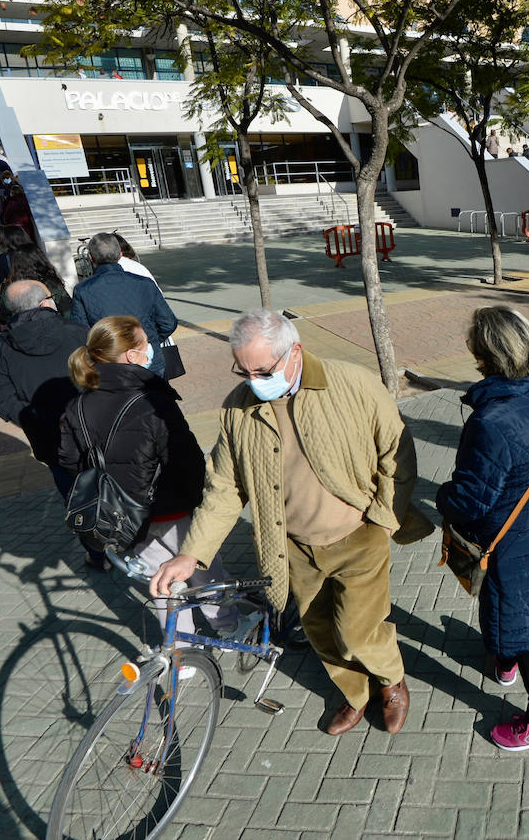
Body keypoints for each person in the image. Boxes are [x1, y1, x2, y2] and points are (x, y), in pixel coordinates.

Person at [149, 308, 431, 736]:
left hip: (359, 535)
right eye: (242, 370)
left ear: (294, 351)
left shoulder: (352, 383)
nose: (252, 380)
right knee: (319, 630)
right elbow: (224, 489)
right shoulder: (237, 410)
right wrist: (192, 553)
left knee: (356, 631)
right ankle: (354, 694)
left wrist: (384, 518)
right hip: (291, 547)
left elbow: (397, 451)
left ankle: (390, 681)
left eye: (262, 370)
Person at [436, 307, 529, 751]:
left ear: (487, 357)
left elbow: (469, 500)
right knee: (515, 623)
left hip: (518, 552)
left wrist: (442, 498)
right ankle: (504, 660)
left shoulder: (493, 422)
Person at [61, 315, 238, 636]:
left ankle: (180, 651)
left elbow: (70, 461)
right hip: (173, 511)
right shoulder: (154, 400)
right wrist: (204, 500)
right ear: (131, 355)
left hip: (124, 518)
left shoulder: (78, 405)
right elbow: (187, 459)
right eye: (146, 345)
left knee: (162, 582)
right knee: (203, 570)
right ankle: (227, 629)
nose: (152, 351)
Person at [0, 280, 96, 563]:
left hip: (49, 440)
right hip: (96, 429)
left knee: (75, 495)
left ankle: (96, 552)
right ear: (45, 303)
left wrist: (36, 417)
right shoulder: (80, 333)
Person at [69, 233, 178, 379]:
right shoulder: (145, 284)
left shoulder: (83, 290)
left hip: (110, 364)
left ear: (90, 258)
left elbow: (80, 333)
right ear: (120, 254)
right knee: (155, 399)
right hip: (148, 359)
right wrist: (149, 340)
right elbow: (168, 322)